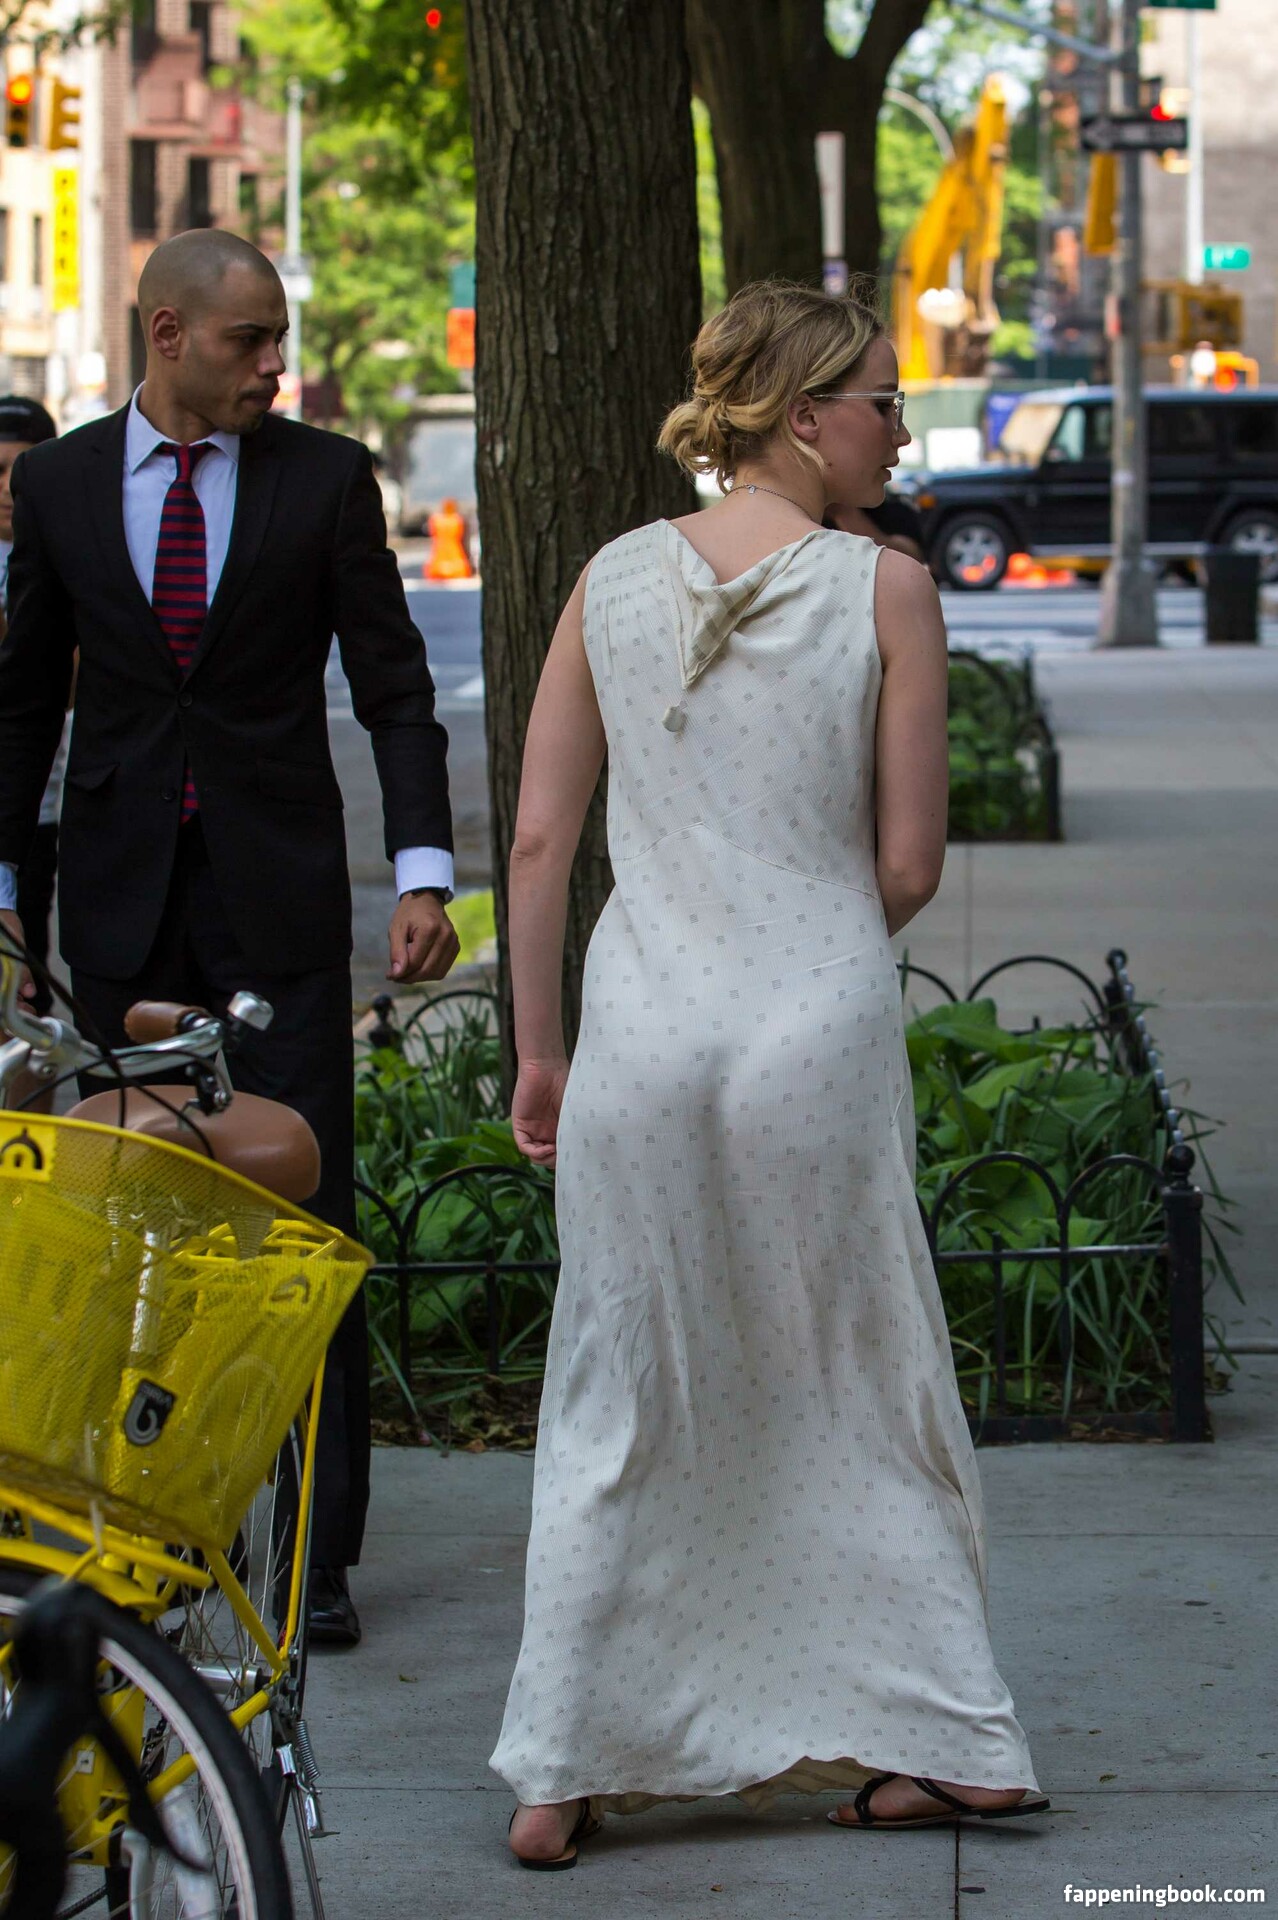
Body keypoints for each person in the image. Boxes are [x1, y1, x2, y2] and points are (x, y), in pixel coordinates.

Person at [491, 279, 1049, 1867]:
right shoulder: (888, 590)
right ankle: (946, 1740)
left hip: (640, 1030)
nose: (898, 429)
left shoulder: (608, 578)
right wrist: (807, 952)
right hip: (813, 1023)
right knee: (853, 1375)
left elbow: (535, 842)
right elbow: (909, 862)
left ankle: (561, 1773)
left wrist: (541, 1050)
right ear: (803, 415)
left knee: (620, 1388)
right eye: (880, 399)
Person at [0, 228, 459, 1648]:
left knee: (301, 1230)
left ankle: (312, 1558)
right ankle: (121, 1541)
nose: (275, 365)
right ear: (167, 334)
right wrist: (8, 893)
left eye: (280, 340)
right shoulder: (63, 484)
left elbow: (394, 689)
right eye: (250, 340)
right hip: (120, 917)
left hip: (278, 913)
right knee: (114, 1234)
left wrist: (425, 873)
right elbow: (21, 703)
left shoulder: (325, 480)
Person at [0, 398, 65, 1024]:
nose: (7, 488)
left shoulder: (69, 553)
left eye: (20, 470)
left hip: (44, 803)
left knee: (28, 980)